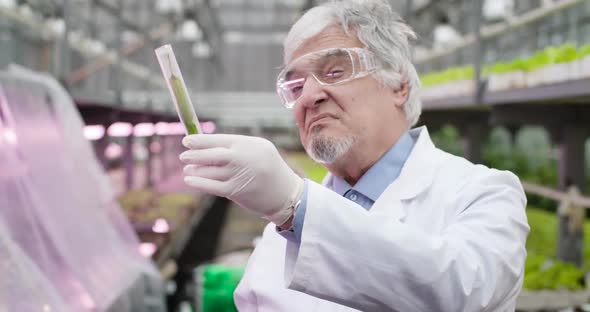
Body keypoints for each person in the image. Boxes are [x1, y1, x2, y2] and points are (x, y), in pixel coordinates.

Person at [179, 0, 530, 310]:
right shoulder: (281, 231)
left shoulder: (484, 194)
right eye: (296, 85)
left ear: (398, 84)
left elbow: (460, 292)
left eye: (335, 71)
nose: (309, 96)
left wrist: (295, 207)